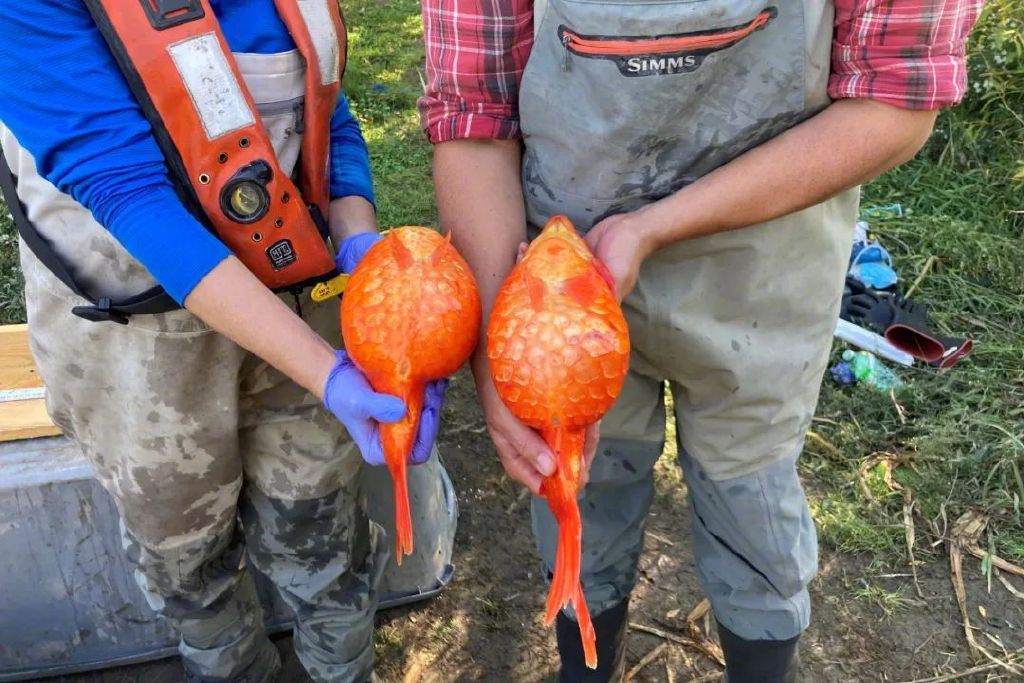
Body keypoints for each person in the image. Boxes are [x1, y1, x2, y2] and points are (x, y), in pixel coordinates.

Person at [419, 0, 981, 680]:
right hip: (559, 294)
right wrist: (497, 350)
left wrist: (653, 225)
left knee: (751, 500)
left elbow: (897, 95)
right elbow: (474, 113)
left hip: (765, 264)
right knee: (579, 489)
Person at [0, 1, 448, 681]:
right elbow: (124, 187)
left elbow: (326, 105)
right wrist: (324, 372)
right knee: (186, 556)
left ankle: (344, 669)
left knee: (322, 527)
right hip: (133, 333)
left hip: (298, 285)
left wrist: (355, 230)